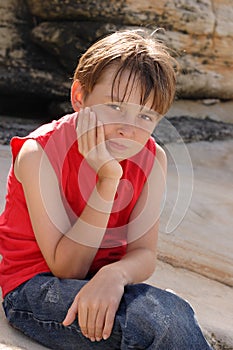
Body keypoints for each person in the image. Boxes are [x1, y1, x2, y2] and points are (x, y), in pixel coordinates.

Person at [0, 29, 212, 349]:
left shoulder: (152, 158)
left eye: (145, 115)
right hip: (35, 288)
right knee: (162, 322)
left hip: (102, 280)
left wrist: (115, 275)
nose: (129, 128)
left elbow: (143, 254)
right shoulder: (39, 154)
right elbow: (68, 268)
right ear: (79, 97)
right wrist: (108, 181)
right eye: (114, 107)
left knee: (176, 315)